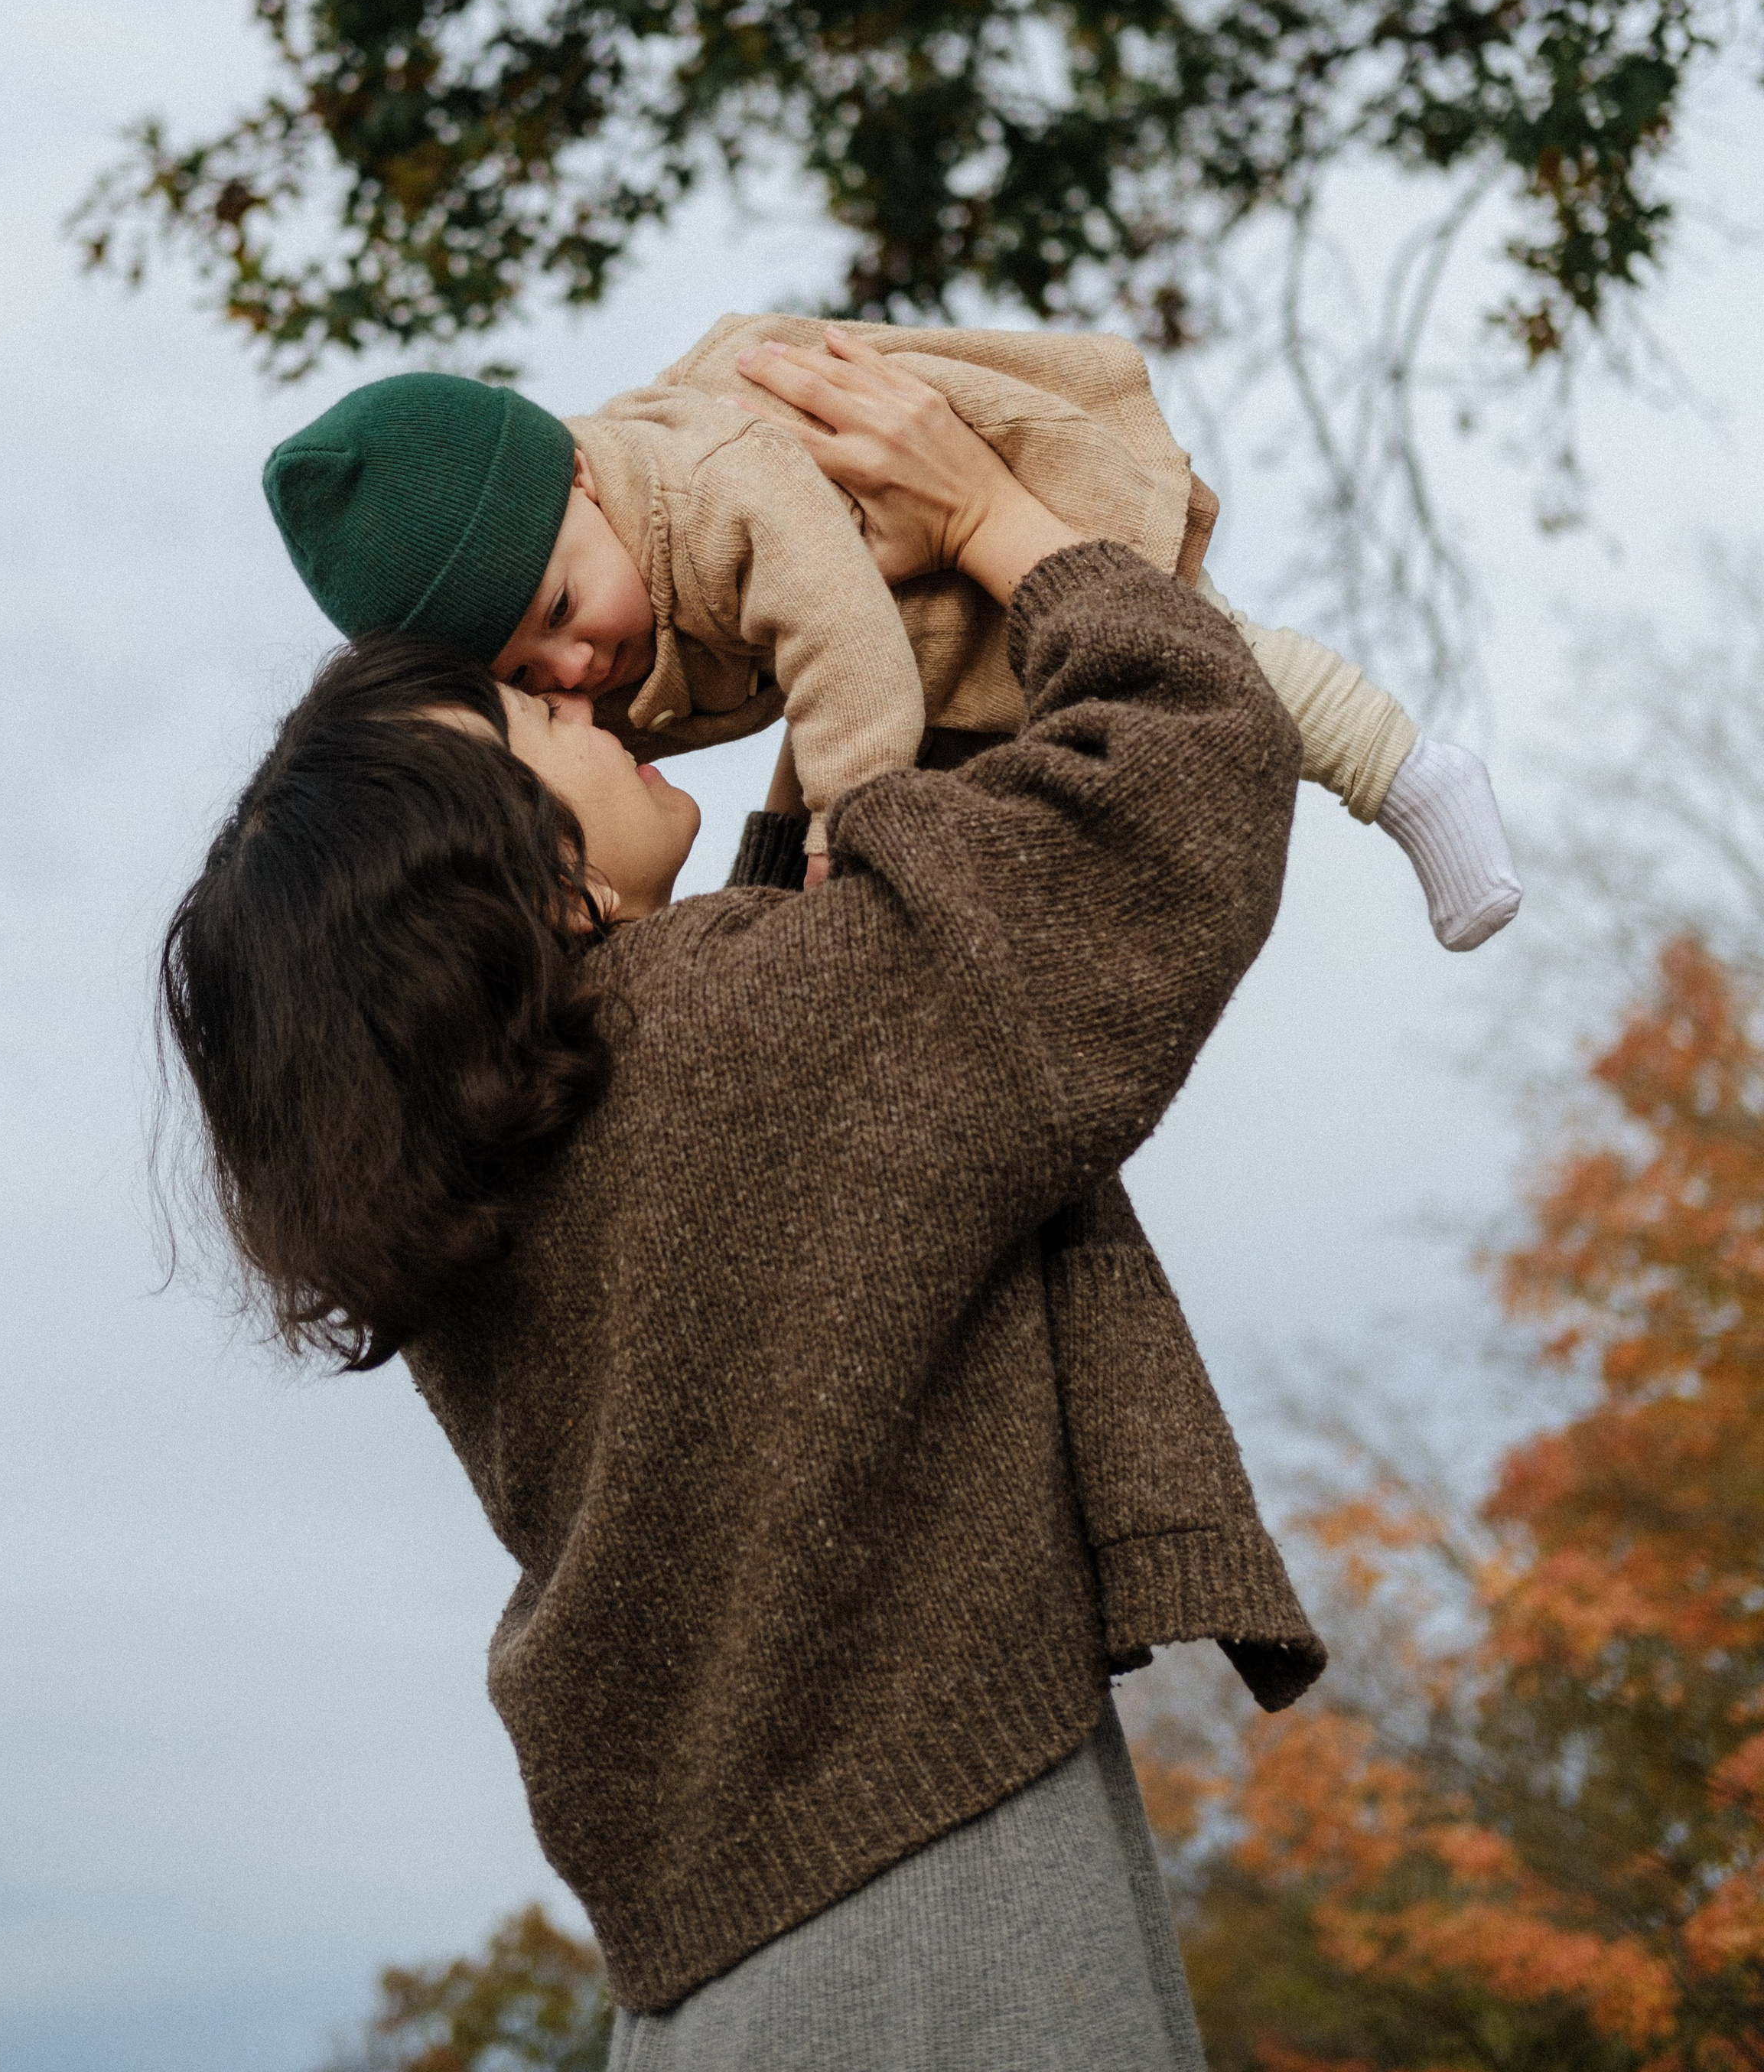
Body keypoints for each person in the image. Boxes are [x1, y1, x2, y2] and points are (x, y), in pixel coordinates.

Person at [164, 339, 1325, 2069]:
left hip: (707, 1973)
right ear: (520, 887)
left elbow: (797, 1057)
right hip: (931, 1915)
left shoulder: (514, 1182)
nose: (579, 695)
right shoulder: (724, 1049)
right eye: (526, 716)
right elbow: (1181, 776)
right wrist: (1000, 520)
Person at [259, 312, 1521, 949]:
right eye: (531, 680)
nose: (580, 673)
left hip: (968, 581)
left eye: (561, 618)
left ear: (582, 479)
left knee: (1217, 662)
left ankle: (1409, 777)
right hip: (933, 649)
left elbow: (839, 656)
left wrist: (852, 828)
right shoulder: (613, 601)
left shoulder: (709, 492)